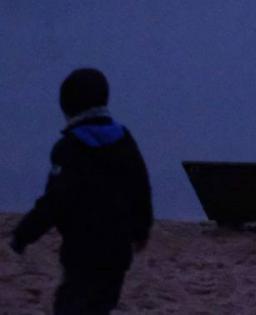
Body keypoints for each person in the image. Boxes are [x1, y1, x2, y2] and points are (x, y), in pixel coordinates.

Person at [9, 68, 153, 315]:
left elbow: (54, 201)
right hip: (117, 251)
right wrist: (142, 230)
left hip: (82, 251)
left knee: (71, 305)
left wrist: (23, 234)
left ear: (67, 106)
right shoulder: (124, 139)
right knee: (101, 306)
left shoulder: (69, 148)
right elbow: (140, 188)